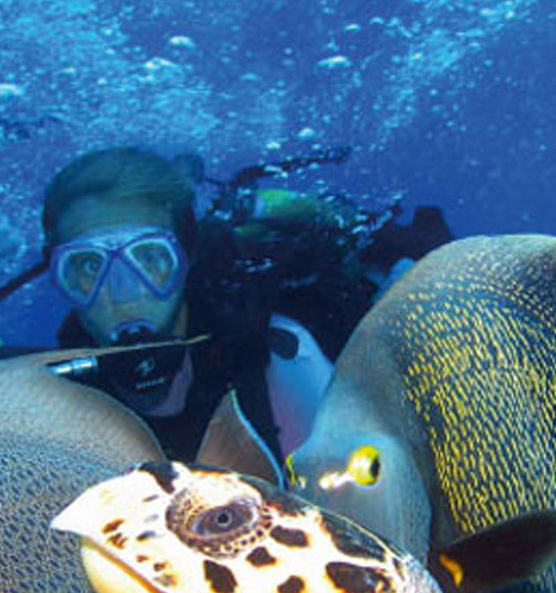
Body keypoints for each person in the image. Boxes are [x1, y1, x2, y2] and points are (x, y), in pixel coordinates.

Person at [38, 145, 451, 458]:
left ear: (185, 258)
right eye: (88, 267)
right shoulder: (48, 401)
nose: (124, 291)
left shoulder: (281, 341)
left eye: (150, 259)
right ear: (59, 277)